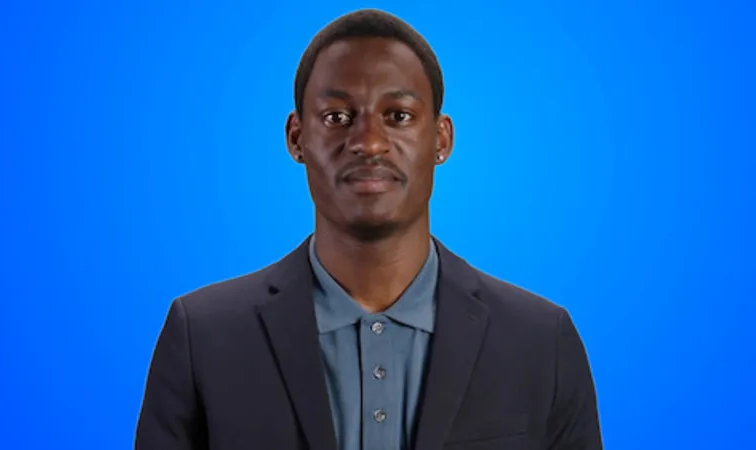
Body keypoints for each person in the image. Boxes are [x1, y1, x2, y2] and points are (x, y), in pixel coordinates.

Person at [135, 8, 603, 450]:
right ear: (297, 138)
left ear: (440, 140)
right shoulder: (202, 337)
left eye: (398, 116)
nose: (369, 142)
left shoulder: (542, 342)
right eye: (337, 117)